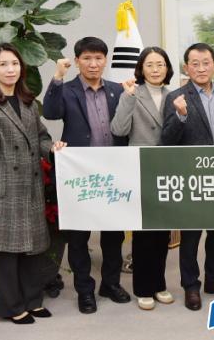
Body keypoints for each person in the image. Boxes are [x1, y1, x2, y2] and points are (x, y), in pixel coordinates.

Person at [0, 43, 66, 324]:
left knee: (32, 247)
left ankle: (32, 301)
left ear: (21, 68)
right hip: (3, 187)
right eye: (3, 64)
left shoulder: (28, 101)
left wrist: (53, 148)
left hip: (29, 184)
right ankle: (12, 307)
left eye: (14, 63)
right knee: (5, 251)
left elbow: (41, 137)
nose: (10, 69)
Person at [43, 37, 130, 314]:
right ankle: (85, 290)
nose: (93, 64)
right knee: (78, 237)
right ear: (77, 61)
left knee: (113, 236)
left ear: (105, 60)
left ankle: (111, 284)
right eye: (87, 58)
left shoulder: (118, 89)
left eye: (98, 58)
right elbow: (50, 112)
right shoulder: (66, 90)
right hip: (79, 175)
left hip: (113, 173)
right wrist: (57, 77)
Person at [161, 43, 214, 311]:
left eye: (206, 63)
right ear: (186, 68)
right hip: (192, 177)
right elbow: (167, 140)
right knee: (191, 236)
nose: (201, 68)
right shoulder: (176, 97)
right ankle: (191, 286)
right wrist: (181, 115)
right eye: (194, 64)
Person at [110, 46, 174, 311]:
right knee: (143, 233)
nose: (155, 69)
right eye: (150, 65)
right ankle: (143, 288)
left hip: (167, 169)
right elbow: (118, 129)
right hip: (140, 168)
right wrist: (127, 97)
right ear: (141, 69)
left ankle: (159, 284)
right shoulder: (132, 94)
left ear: (167, 68)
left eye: (160, 64)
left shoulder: (174, 95)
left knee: (162, 233)